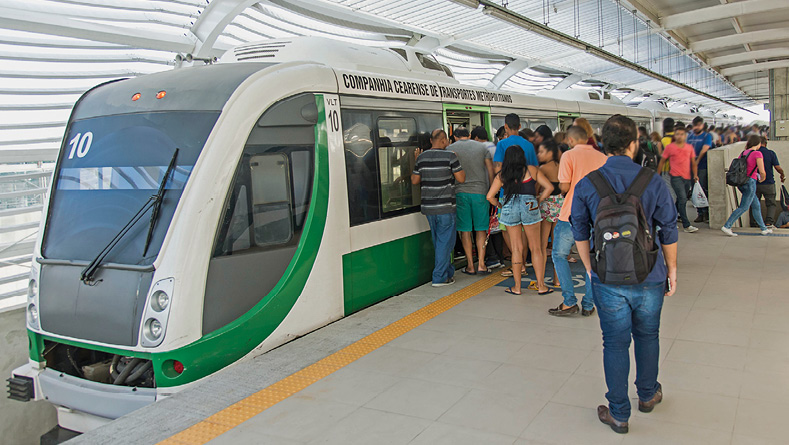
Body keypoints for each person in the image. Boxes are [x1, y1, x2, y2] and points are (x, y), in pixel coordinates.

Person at [571, 114, 678, 435]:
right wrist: (672, 270)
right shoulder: (653, 181)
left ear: (603, 145)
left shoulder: (588, 184)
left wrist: (591, 269)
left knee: (615, 343)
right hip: (650, 274)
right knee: (648, 335)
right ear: (634, 144)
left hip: (607, 277)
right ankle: (647, 395)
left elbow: (579, 230)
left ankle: (618, 413)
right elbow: (669, 229)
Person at [548, 125, 607, 317]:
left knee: (559, 255)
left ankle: (569, 302)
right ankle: (589, 304)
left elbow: (564, 186)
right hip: (597, 215)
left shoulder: (569, 156)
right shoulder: (603, 157)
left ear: (571, 140)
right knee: (592, 259)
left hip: (571, 213)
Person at [487, 145, 553, 295]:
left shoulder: (502, 174)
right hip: (530, 206)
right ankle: (541, 286)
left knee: (516, 249)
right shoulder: (532, 170)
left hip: (509, 206)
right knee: (535, 248)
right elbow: (548, 187)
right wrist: (539, 200)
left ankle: (517, 287)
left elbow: (489, 196)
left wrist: (499, 204)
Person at [412, 129, 466, 286]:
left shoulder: (421, 158)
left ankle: (448, 272)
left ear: (431, 141)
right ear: (443, 141)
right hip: (445, 207)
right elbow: (461, 178)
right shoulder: (450, 156)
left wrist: (417, 163)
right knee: (445, 242)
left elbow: (415, 180)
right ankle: (439, 277)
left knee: (440, 241)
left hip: (428, 207)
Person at [494, 114, 539, 277]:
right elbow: (535, 170)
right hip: (527, 193)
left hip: (507, 194)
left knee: (509, 232)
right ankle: (525, 265)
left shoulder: (502, 144)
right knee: (525, 232)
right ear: (519, 126)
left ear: (505, 127)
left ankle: (517, 267)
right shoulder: (528, 145)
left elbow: (497, 168)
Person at [448, 127, 495, 275]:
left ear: (455, 137)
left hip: (460, 193)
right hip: (481, 193)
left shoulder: (449, 149)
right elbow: (490, 170)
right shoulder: (481, 147)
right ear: (469, 135)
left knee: (465, 231)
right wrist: (492, 190)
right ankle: (481, 264)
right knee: (481, 229)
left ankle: (470, 265)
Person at [721, 135, 773, 236]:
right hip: (751, 183)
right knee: (744, 207)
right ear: (758, 144)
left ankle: (763, 228)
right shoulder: (758, 153)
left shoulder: (743, 153)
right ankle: (727, 226)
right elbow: (762, 171)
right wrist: (762, 178)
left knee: (756, 205)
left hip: (742, 182)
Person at [657, 126, 699, 233]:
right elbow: (662, 161)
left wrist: (695, 174)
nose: (679, 136)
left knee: (680, 200)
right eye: (677, 134)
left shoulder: (689, 148)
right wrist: (658, 175)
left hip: (687, 177)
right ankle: (686, 225)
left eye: (682, 134)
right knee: (683, 199)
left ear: (685, 136)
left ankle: (671, 219)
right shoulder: (670, 147)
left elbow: (693, 162)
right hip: (675, 177)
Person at [537, 140, 563, 286]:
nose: (539, 154)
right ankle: (557, 279)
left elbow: (537, 187)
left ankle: (540, 279)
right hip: (560, 203)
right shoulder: (561, 166)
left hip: (547, 204)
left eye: (542, 152)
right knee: (556, 244)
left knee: (542, 245)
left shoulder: (543, 168)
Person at [750, 136, 785, 227]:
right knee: (771, 204)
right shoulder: (771, 153)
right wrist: (782, 175)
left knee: (754, 203)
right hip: (768, 183)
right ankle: (769, 222)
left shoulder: (753, 153)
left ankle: (754, 222)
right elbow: (778, 168)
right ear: (766, 144)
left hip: (755, 183)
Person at [687, 117, 713, 223]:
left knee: (703, 189)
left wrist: (697, 161)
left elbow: (705, 149)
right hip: (691, 167)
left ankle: (706, 212)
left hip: (702, 166)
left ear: (703, 125)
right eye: (695, 125)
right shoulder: (690, 136)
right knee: (695, 190)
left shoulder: (707, 136)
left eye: (698, 125)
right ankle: (699, 212)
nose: (696, 127)